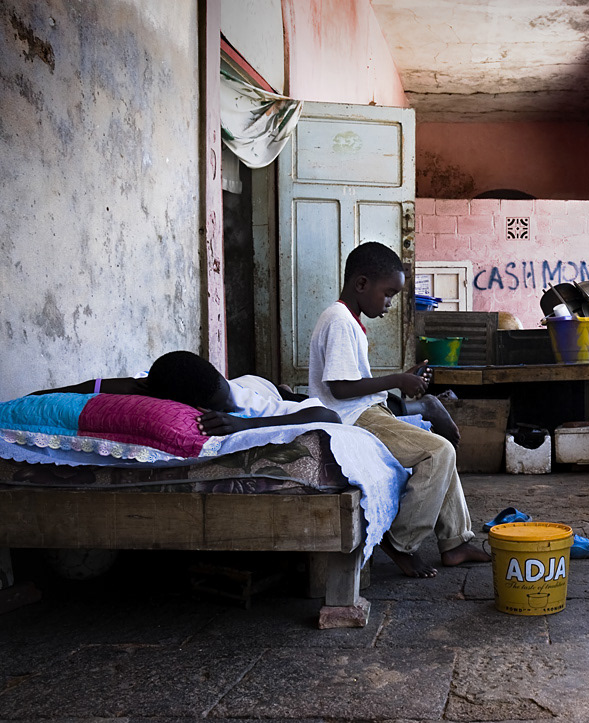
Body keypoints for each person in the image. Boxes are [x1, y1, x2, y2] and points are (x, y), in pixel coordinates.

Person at [308, 241, 489, 578]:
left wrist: (403, 381)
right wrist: (397, 379)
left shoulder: (349, 320)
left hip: (366, 411)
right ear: (361, 284)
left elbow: (352, 381)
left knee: (439, 450)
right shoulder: (338, 321)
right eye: (388, 293)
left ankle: (456, 542)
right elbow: (340, 388)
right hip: (353, 417)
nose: (390, 303)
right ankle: (400, 541)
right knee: (439, 452)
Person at [32, 350, 341, 434]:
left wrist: (245, 423)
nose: (228, 408)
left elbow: (329, 416)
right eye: (221, 407)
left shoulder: (242, 405)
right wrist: (35, 397)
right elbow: (94, 388)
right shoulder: (152, 385)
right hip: (240, 384)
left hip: (258, 389)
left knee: (285, 394)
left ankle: (284, 389)